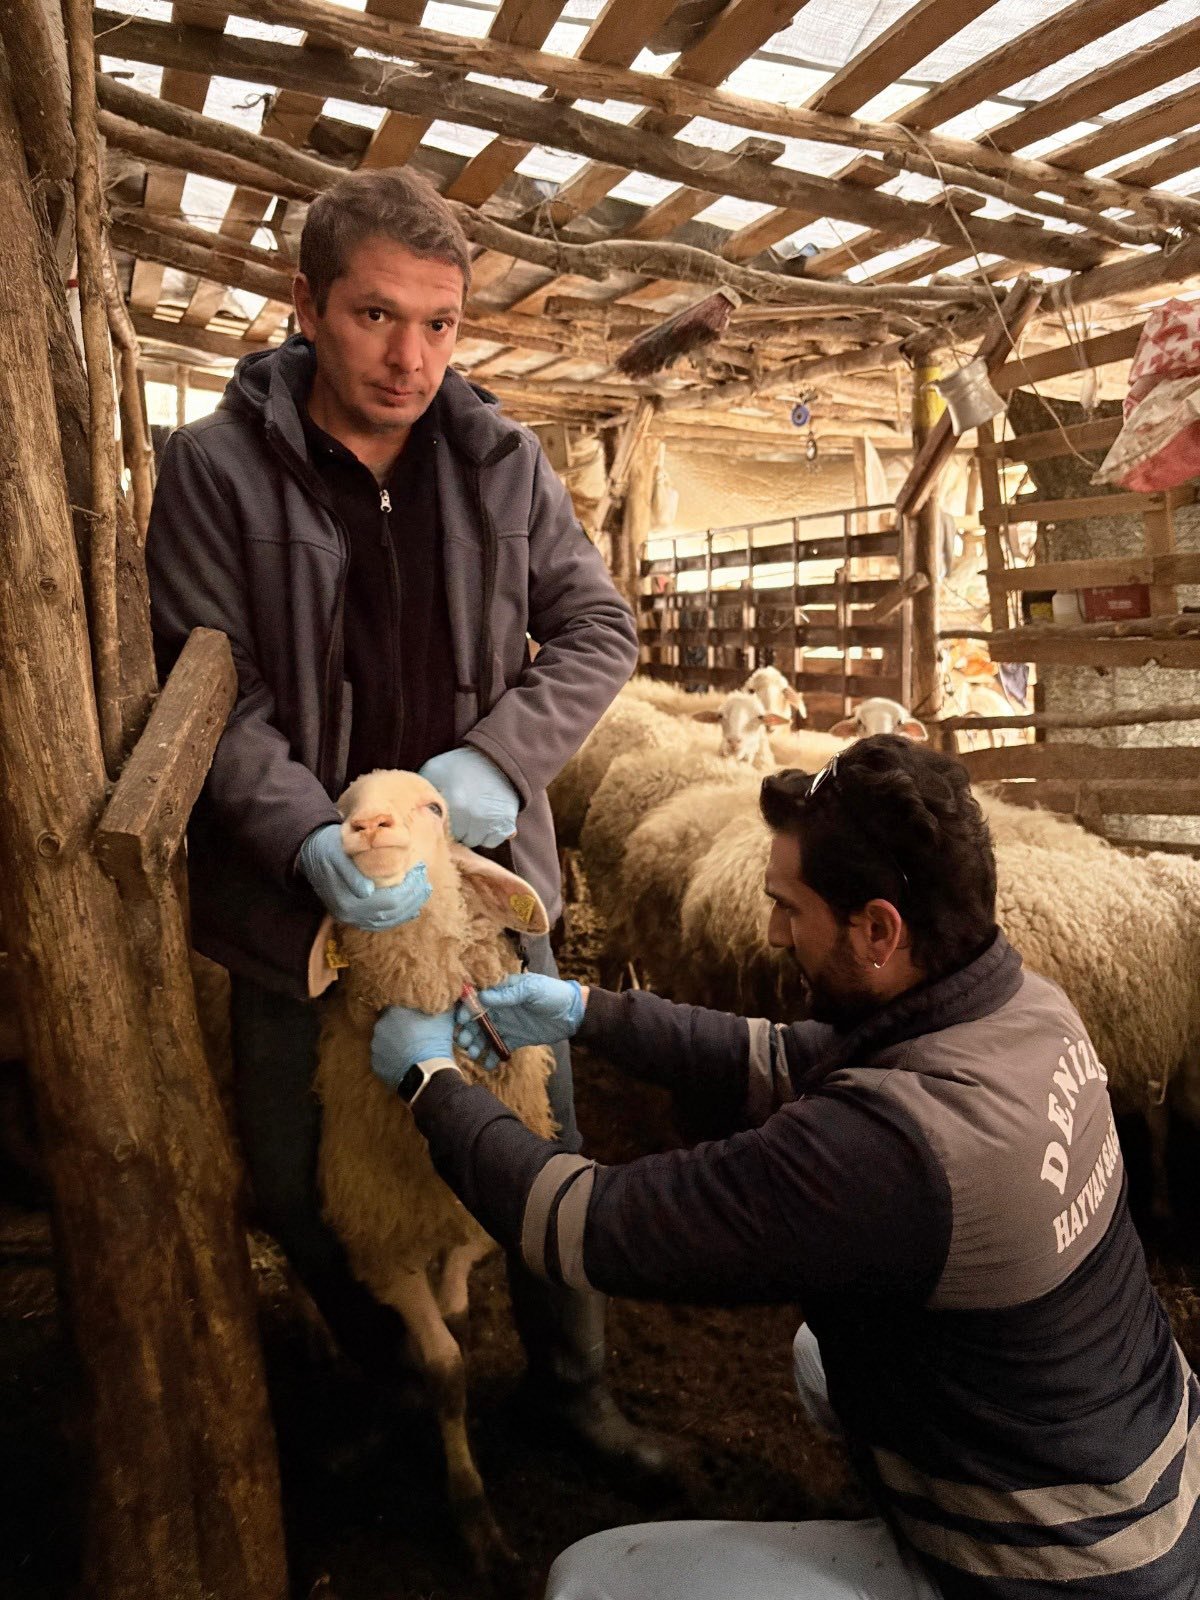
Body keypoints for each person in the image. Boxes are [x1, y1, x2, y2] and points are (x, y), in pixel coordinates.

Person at [372, 734, 1200, 1599]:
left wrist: (428, 1080)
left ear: (878, 929)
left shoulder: (882, 1160)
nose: (771, 931)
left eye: (790, 908)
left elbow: (583, 1224)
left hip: (1070, 1569)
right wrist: (584, 1010)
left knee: (588, 1581)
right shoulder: (1028, 1006)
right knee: (821, 1354)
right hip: (1150, 1466)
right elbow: (779, 1053)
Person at [146, 166, 668, 1477]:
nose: (413, 356)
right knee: (295, 1175)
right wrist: (306, 840)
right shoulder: (213, 471)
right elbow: (215, 691)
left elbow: (599, 629)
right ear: (306, 304)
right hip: (295, 902)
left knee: (537, 1146)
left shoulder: (503, 463)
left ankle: (573, 1388)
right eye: (379, 316)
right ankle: (400, 1380)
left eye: (440, 322)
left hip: (481, 894)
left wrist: (498, 765)